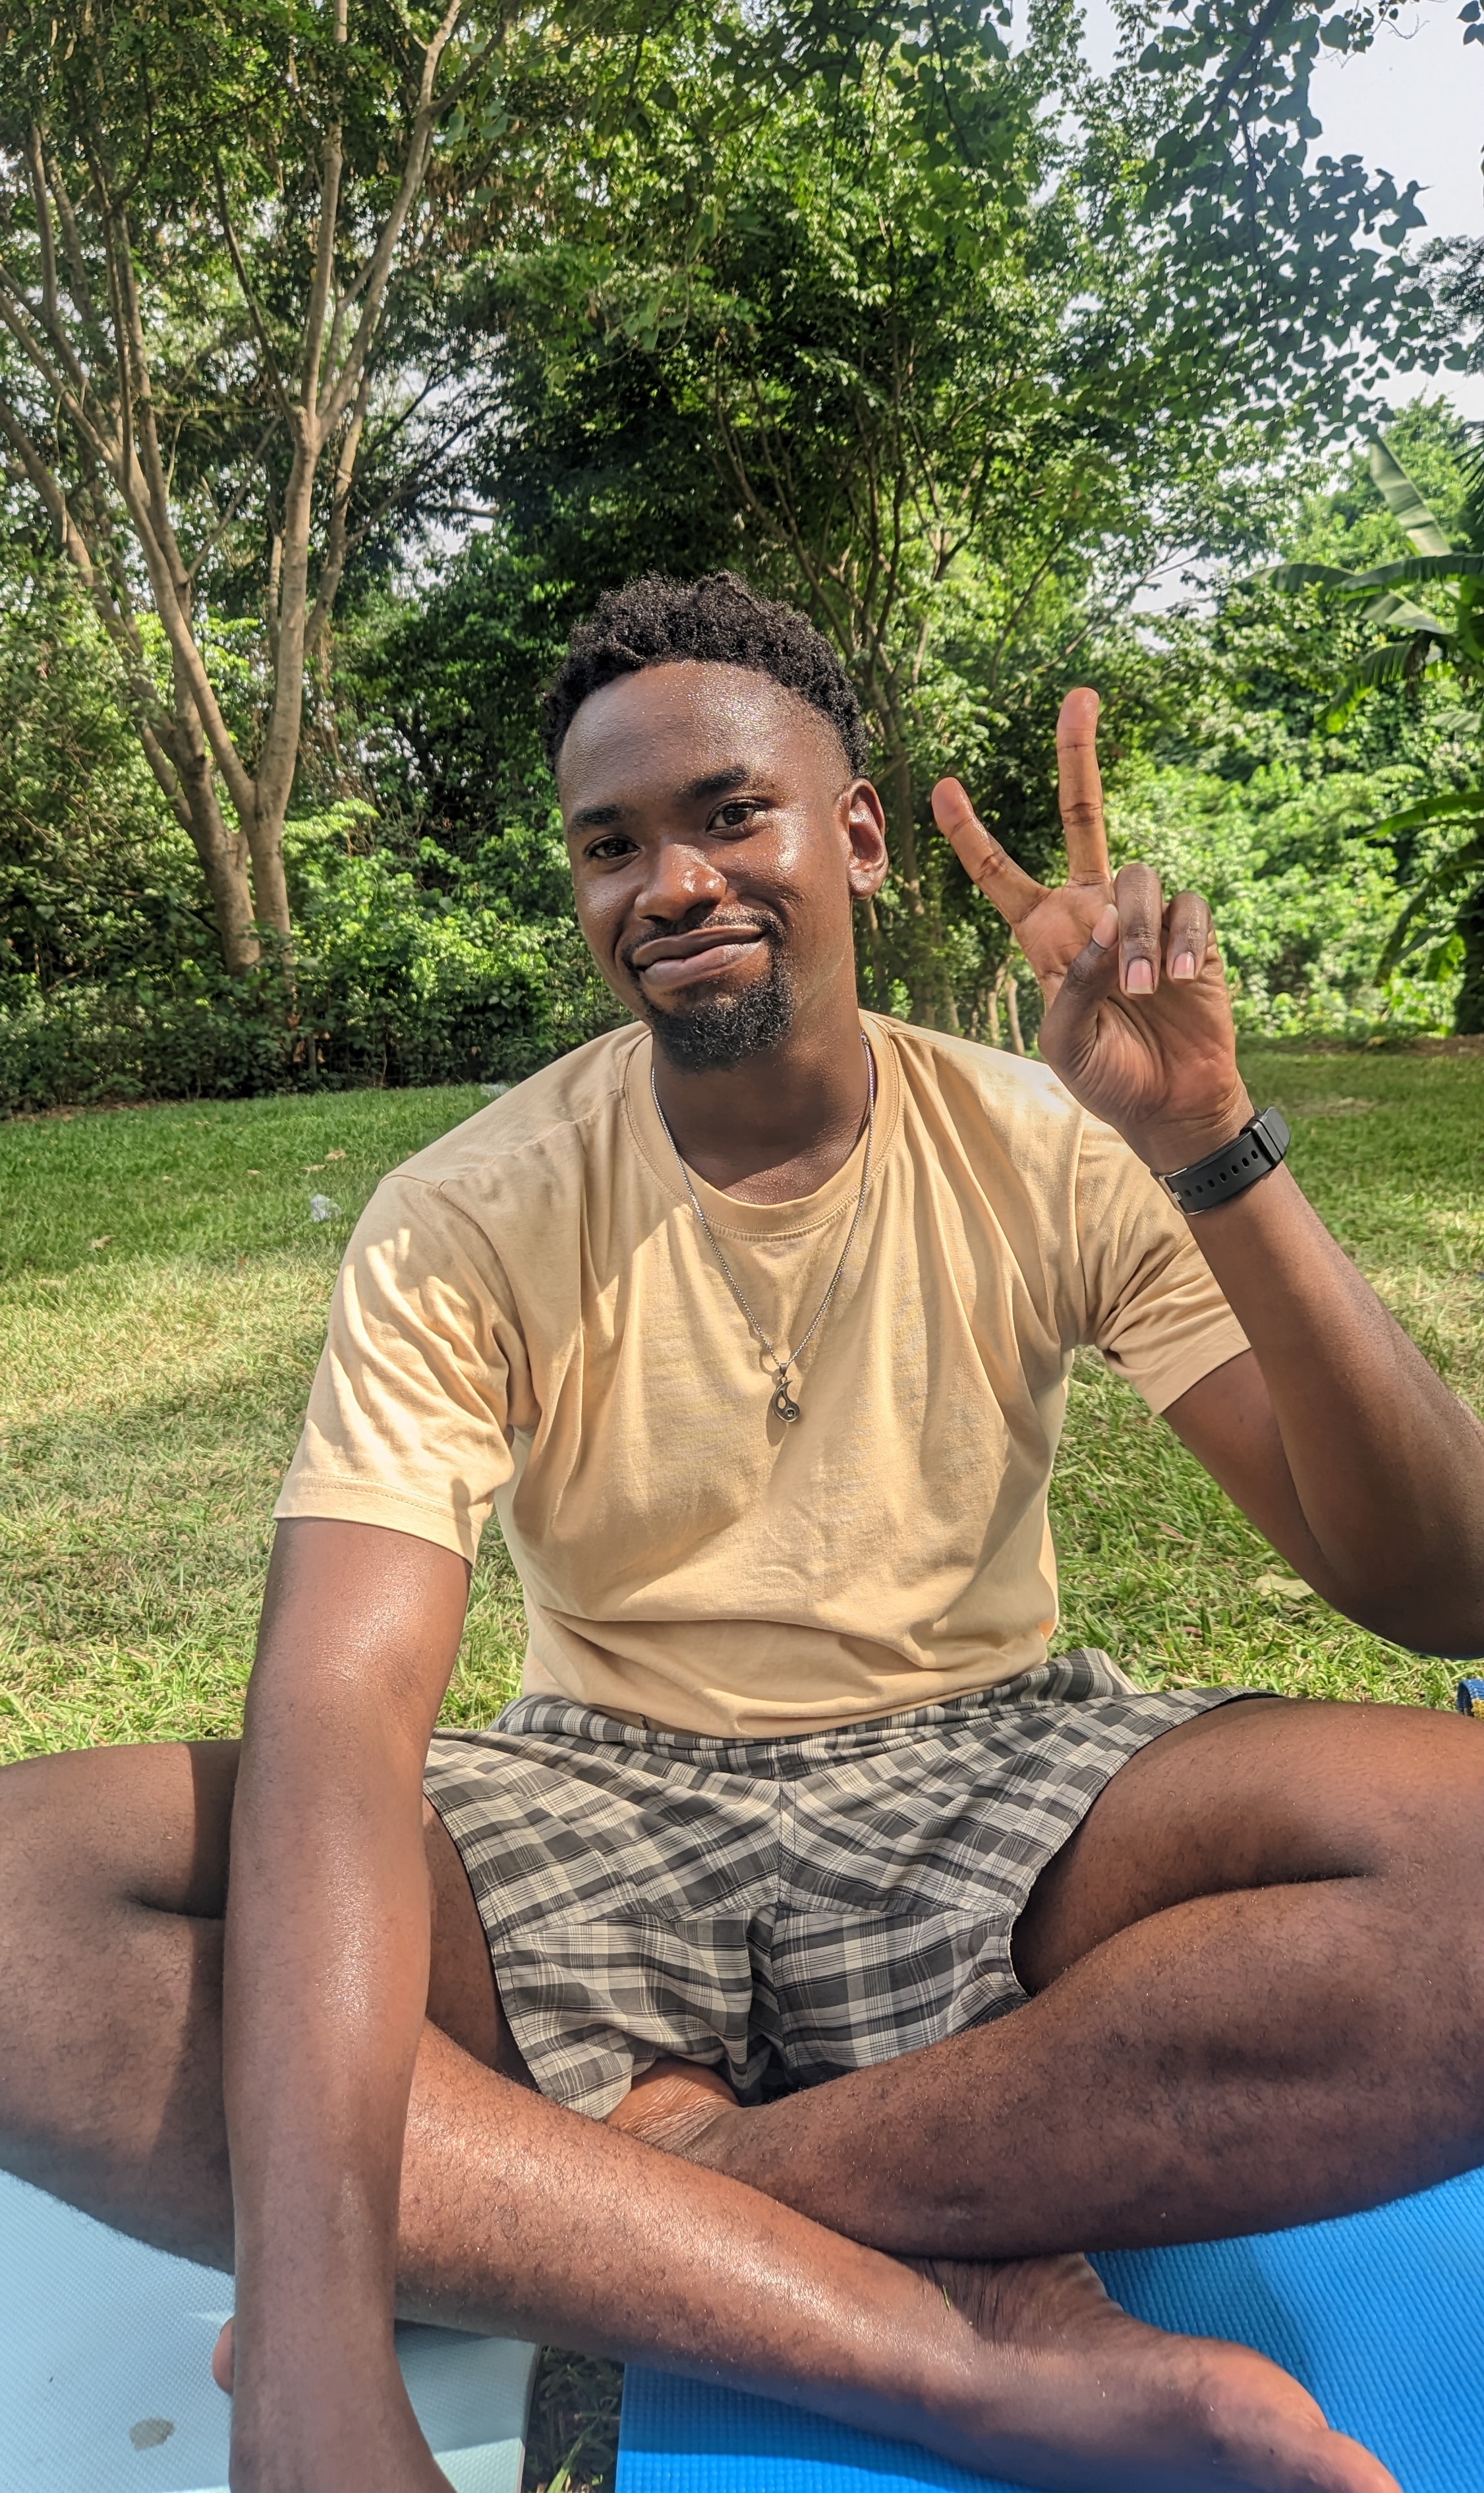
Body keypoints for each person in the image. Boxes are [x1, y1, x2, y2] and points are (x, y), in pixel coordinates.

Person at [3, 573, 1483, 2493]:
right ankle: (955, 2350)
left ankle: (633, 2203)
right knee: (26, 1898)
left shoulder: (1044, 1141)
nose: (670, 882)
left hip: (995, 1775)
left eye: (727, 813)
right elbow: (339, 1725)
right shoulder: (467, 1211)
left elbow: (1435, 1583)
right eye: (609, 846)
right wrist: (305, 2348)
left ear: (854, 836)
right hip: (591, 1810)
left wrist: (1204, 1140)